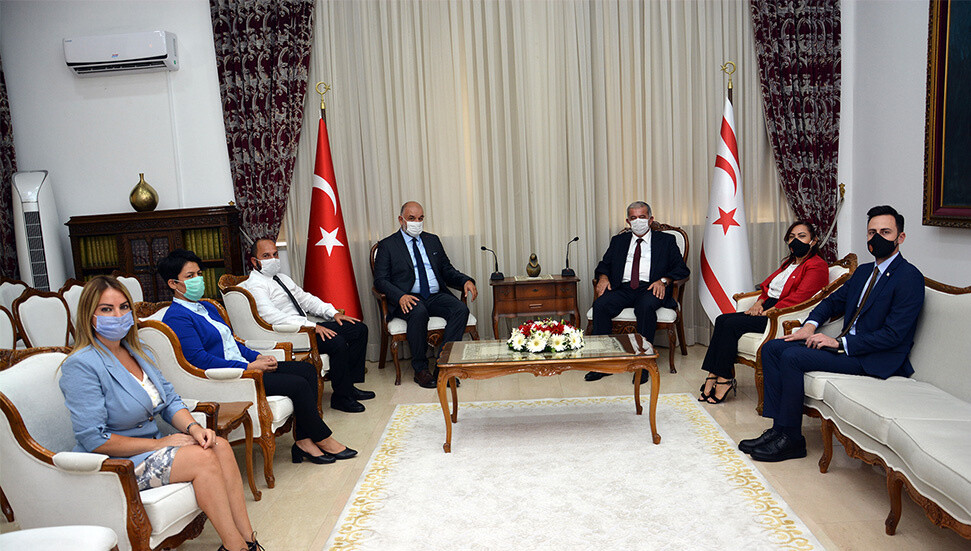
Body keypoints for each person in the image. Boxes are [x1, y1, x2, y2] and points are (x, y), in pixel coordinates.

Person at [58, 275, 261, 551]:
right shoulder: (81, 365)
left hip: (149, 450)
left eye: (123, 307)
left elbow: (170, 401)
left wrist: (194, 429)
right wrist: (161, 443)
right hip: (117, 463)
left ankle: (249, 540)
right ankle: (235, 547)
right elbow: (94, 439)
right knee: (202, 459)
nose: (118, 315)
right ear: (89, 316)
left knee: (220, 446)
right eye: (106, 309)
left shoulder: (138, 352)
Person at [738, 205, 925, 462]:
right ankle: (778, 429)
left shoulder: (909, 277)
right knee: (772, 348)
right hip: (847, 348)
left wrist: (839, 343)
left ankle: (792, 439)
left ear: (900, 237)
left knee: (792, 357)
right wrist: (809, 326)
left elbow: (893, 335)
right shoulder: (863, 272)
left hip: (874, 357)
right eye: (872, 232)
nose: (877, 238)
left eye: (885, 232)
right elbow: (831, 302)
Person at [159, 249, 356, 465]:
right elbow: (200, 360)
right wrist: (248, 367)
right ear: (173, 284)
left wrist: (259, 357)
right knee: (298, 384)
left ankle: (303, 441)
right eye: (190, 276)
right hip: (229, 378)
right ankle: (323, 439)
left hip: (246, 367)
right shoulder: (177, 317)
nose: (198, 279)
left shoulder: (206, 307)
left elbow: (233, 343)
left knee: (307, 370)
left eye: (198, 274)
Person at [698, 220, 829, 404]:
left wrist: (771, 311)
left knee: (730, 324)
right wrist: (759, 303)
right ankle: (715, 375)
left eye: (802, 236)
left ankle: (722, 378)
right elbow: (768, 286)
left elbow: (801, 297)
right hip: (768, 306)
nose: (796, 241)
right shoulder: (789, 263)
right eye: (792, 237)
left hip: (782, 314)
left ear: (813, 241)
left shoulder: (817, 265)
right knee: (722, 320)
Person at [240, 238, 373, 413]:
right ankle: (341, 398)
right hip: (290, 333)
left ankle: (348, 387)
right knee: (337, 342)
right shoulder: (255, 285)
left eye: (275, 254)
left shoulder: (282, 278)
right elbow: (272, 317)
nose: (273, 259)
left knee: (358, 329)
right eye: (266, 256)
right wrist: (311, 326)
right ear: (254, 261)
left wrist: (333, 313)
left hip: (305, 326)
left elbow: (306, 300)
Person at [373, 201, 477, 389]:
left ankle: (443, 365)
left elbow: (446, 270)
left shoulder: (432, 240)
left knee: (460, 309)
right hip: (408, 298)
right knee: (418, 311)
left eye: (420, 218)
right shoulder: (388, 245)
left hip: (435, 295)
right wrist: (400, 296)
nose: (417, 222)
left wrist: (465, 281)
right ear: (401, 220)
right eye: (411, 218)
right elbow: (380, 280)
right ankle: (420, 369)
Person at [585, 201, 690, 382]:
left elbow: (682, 269)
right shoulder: (618, 241)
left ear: (650, 219)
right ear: (628, 221)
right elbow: (604, 264)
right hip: (623, 288)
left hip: (650, 287)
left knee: (645, 306)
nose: (638, 221)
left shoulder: (666, 241)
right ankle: (604, 363)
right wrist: (603, 277)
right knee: (600, 305)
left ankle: (643, 363)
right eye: (633, 218)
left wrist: (664, 281)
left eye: (642, 217)